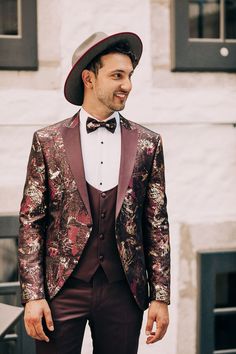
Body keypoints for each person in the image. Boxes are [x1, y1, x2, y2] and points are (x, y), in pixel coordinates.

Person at [18, 31, 170, 354]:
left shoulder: (147, 143)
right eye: (117, 75)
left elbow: (156, 223)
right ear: (89, 78)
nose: (127, 85)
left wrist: (160, 295)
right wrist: (33, 295)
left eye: (129, 75)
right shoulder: (48, 142)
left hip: (123, 292)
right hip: (61, 292)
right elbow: (31, 222)